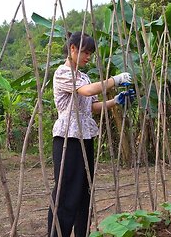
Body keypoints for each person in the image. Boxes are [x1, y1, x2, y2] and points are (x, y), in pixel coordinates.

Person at [48, 31, 134, 237]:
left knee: (83, 191)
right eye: (86, 52)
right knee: (66, 191)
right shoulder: (63, 73)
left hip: (85, 137)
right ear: (72, 49)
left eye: (91, 53)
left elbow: (91, 106)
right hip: (67, 138)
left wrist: (116, 101)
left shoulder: (83, 76)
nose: (88, 57)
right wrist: (115, 79)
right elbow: (86, 92)